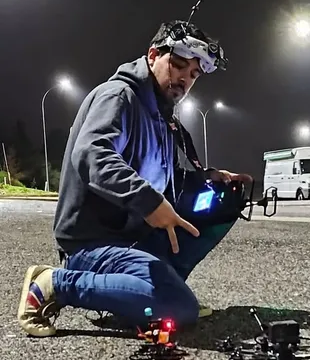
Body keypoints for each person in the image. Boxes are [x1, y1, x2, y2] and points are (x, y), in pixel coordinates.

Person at [17, 19, 252, 337]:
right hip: (93, 245)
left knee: (223, 202)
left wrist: (209, 179)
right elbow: (92, 153)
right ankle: (54, 283)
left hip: (134, 239)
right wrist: (148, 201)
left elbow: (170, 179)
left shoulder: (161, 118)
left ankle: (147, 293)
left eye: (194, 74)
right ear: (153, 55)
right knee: (179, 307)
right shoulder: (119, 96)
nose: (185, 78)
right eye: (179, 65)